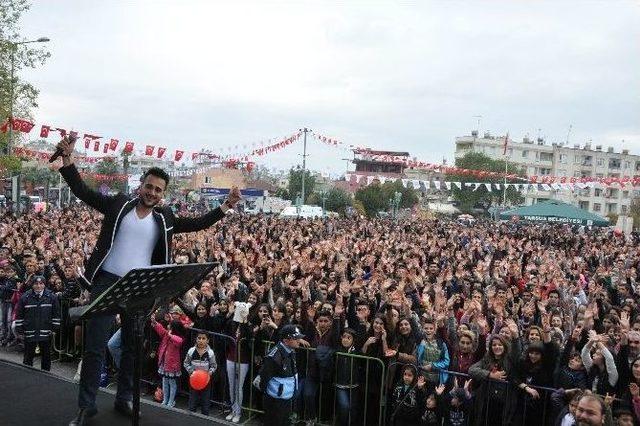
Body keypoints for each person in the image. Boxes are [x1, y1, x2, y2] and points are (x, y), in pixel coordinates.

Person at [55, 135, 242, 426]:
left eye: (158, 190)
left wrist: (226, 206)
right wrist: (68, 159)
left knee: (133, 347)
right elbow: (83, 191)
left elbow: (198, 224)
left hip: (139, 288)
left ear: (163, 193)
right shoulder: (119, 204)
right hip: (106, 281)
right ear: (141, 185)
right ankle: (86, 406)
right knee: (94, 346)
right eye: (149, 186)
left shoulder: (165, 218)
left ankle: (124, 398)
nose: (152, 192)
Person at [256, 324, 304, 426]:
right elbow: (263, 379)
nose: (299, 341)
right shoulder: (274, 357)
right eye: (296, 338)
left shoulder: (291, 351)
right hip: (275, 402)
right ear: (286, 341)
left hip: (286, 399)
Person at [13, 274, 60, 371]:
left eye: (41, 283)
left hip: (45, 331)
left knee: (46, 356)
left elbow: (56, 314)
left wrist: (54, 329)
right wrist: (20, 331)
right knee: (28, 356)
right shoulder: (25, 297)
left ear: (44, 285)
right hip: (30, 330)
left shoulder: (52, 297)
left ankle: (47, 376)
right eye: (36, 284)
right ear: (32, 285)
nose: (38, 286)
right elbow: (19, 315)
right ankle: (27, 374)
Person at [184, 330, 217, 415]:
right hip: (194, 381)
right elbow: (186, 363)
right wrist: (191, 372)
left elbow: (214, 366)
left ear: (207, 340)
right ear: (196, 339)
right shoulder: (191, 351)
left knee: (205, 404)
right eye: (199, 338)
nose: (201, 340)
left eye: (203, 338)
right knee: (192, 403)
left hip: (206, 382)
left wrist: (209, 373)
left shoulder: (210, 352)